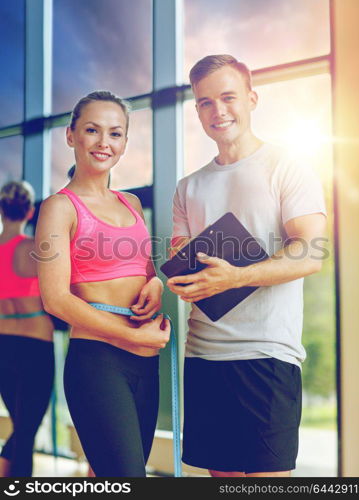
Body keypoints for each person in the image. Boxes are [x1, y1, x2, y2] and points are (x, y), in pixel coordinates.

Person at [167, 54, 327, 478]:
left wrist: (238, 276)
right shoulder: (188, 187)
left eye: (228, 97)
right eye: (205, 102)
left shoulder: (287, 167)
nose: (218, 111)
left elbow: (312, 252)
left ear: (252, 99)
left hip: (266, 354)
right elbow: (185, 263)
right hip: (202, 355)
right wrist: (176, 283)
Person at [35, 91, 170, 477]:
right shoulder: (59, 208)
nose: (103, 143)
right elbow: (56, 299)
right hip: (98, 362)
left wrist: (156, 284)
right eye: (92, 130)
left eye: (115, 133)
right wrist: (135, 337)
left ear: (125, 142)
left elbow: (143, 268)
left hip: (145, 364)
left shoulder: (130, 203)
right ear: (71, 135)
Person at [0, 181, 54, 477]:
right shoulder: (33, 249)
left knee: (21, 427)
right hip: (34, 345)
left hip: (3, 345)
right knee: (26, 429)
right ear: (30, 211)